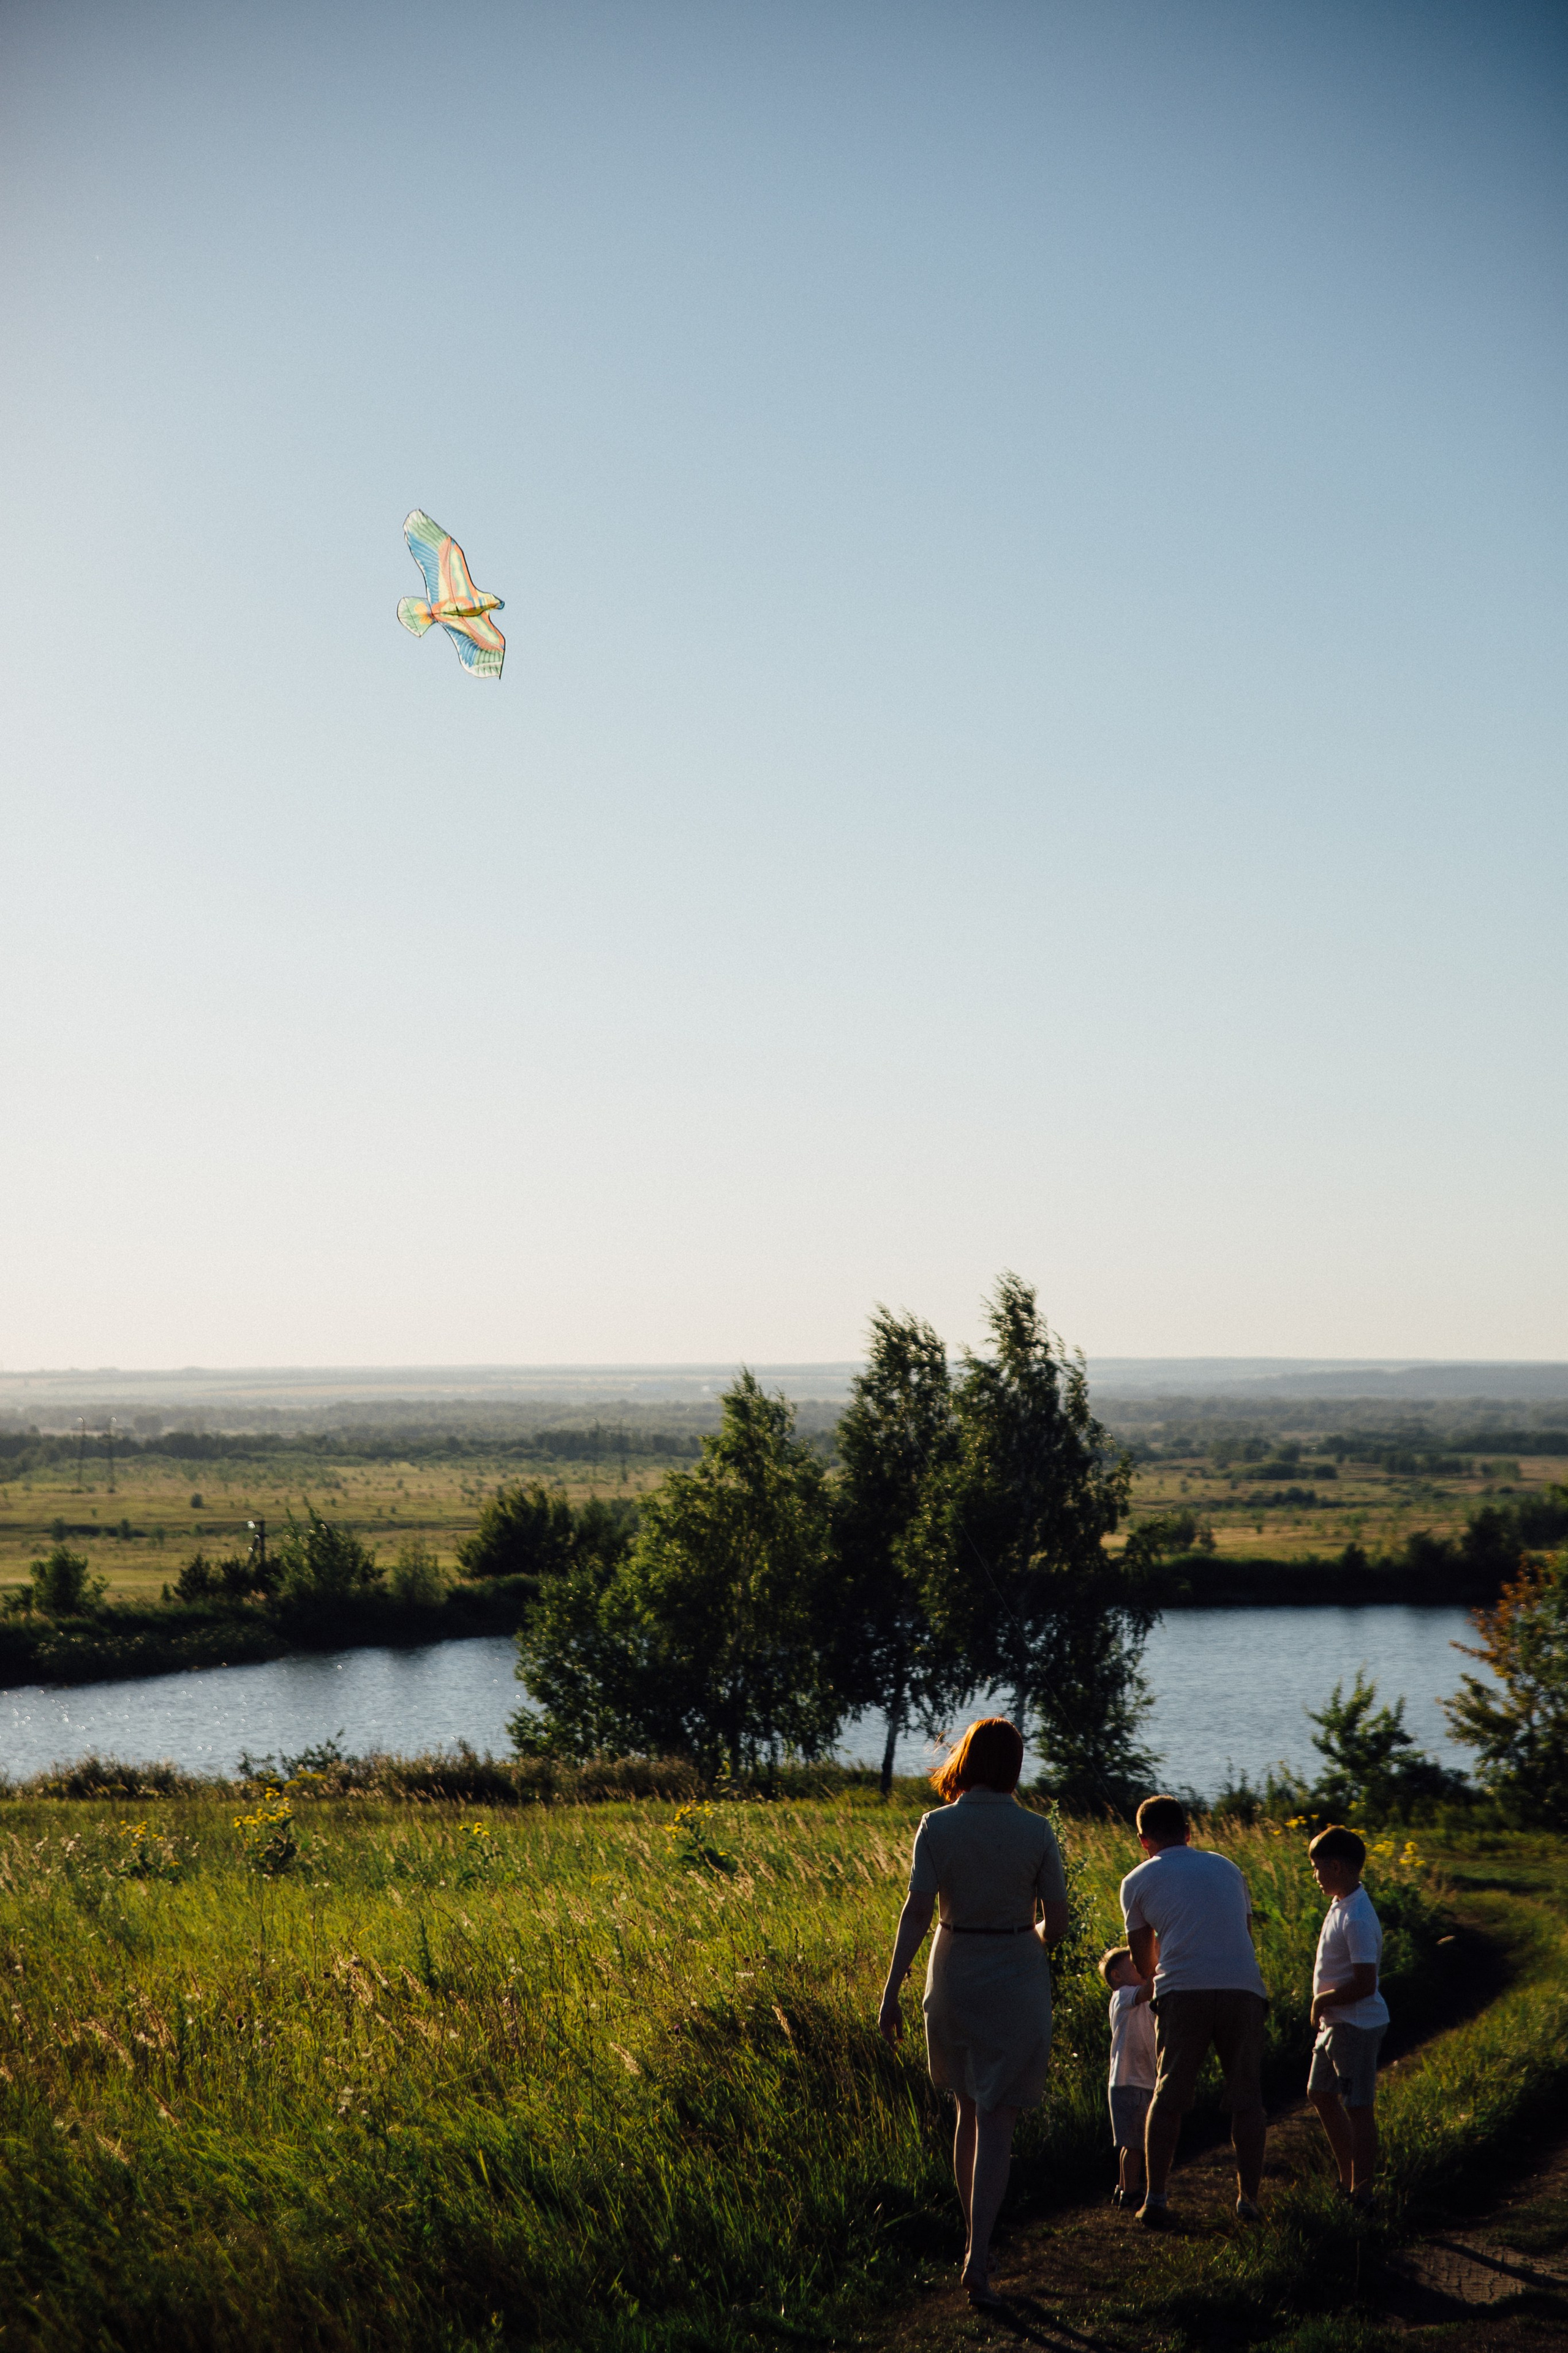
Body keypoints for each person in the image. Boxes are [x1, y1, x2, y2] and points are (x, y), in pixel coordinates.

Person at [878, 1717, 1070, 2308]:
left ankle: (972, 2242)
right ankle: (978, 2253)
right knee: (1000, 2117)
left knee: (967, 2107)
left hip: (955, 1962)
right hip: (1016, 1964)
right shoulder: (1037, 1830)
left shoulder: (937, 1825)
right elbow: (1058, 1923)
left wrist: (891, 1992)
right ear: (1014, 1764)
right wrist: (1029, 1935)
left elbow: (916, 1911)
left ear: (966, 1758)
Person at [1119, 1793, 1268, 2228]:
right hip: (1244, 1987)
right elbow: (1243, 1935)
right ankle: (1249, 2200)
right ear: (1189, 1832)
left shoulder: (1136, 1880)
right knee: (1248, 2099)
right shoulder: (1227, 1867)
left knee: (1168, 2098)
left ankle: (1157, 2197)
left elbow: (1146, 1966)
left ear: (1144, 1841)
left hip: (1184, 1992)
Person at [1305, 1824, 1388, 2210]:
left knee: (1358, 2106)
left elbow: (1366, 1984)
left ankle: (1363, 2190)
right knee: (1320, 2094)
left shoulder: (1356, 1916)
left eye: (1317, 1868)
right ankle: (1346, 2178)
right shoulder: (1342, 1904)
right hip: (1337, 2023)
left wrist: (1322, 2001)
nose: (1315, 1876)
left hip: (1355, 2022)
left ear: (1337, 1867)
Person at [1100, 1944, 1156, 2208]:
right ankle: (1132, 2191)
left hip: (1137, 2079)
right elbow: (1150, 1990)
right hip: (1129, 2080)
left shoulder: (1138, 1999)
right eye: (1136, 1965)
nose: (1143, 1967)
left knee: (1130, 2143)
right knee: (1134, 2144)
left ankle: (1123, 2188)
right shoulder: (1123, 1996)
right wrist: (1160, 1967)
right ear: (1117, 1977)